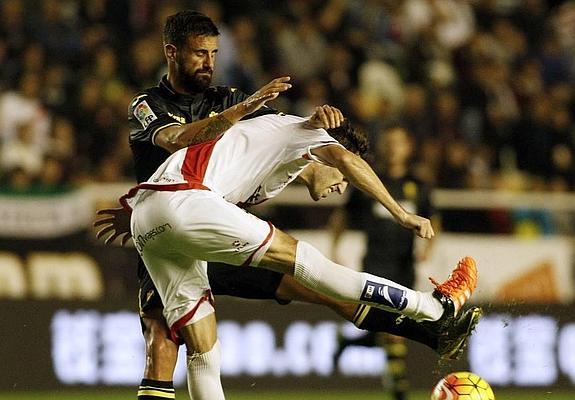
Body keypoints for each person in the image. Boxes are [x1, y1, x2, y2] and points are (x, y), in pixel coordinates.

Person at [94, 10, 480, 400]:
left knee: (209, 345)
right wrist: (401, 213)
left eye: (214, 53)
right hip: (189, 209)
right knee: (169, 338)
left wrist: (314, 169)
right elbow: (329, 151)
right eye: (199, 53)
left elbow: (287, 152)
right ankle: (434, 308)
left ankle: (433, 334)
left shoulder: (234, 105)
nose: (209, 62)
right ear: (172, 52)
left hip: (168, 220)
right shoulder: (157, 103)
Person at [330, 124, 436, 400]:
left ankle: (350, 342)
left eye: (398, 142)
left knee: (385, 325)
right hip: (375, 263)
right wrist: (335, 245)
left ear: (408, 147)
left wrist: (428, 247)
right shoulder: (368, 179)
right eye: (388, 142)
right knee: (392, 325)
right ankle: (398, 388)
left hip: (404, 264)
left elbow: (434, 219)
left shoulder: (418, 185)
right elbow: (343, 214)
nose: (392, 148)